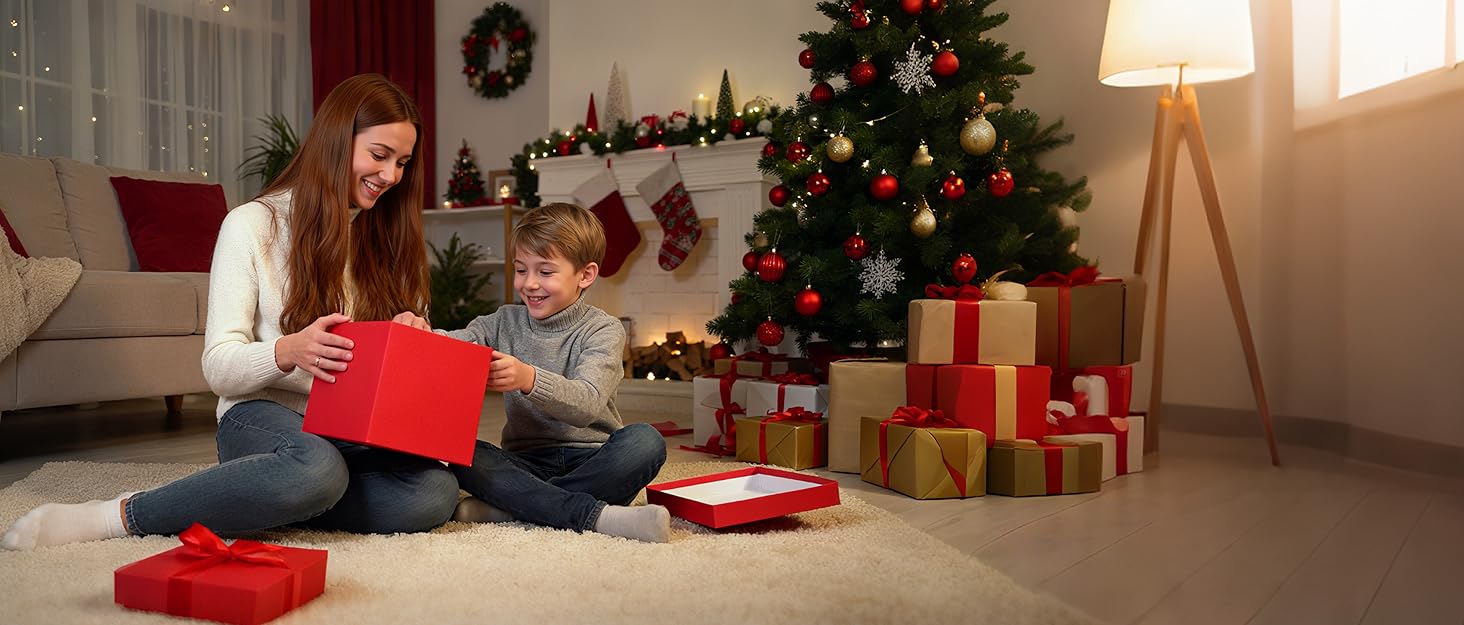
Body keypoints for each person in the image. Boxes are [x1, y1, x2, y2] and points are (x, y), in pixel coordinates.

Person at [1, 73, 459, 551]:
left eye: (402, 163)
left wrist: (415, 339)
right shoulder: (251, 224)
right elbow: (219, 367)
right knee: (316, 468)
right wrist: (286, 351)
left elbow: (395, 374)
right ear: (335, 143)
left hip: (347, 431)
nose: (390, 176)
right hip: (260, 417)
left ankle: (273, 496)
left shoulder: (389, 241)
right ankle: (123, 513)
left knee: (432, 493)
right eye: (379, 155)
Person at [411, 202, 671, 543]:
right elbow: (454, 345)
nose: (529, 283)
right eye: (521, 270)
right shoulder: (503, 321)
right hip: (526, 462)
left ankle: (518, 506)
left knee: (645, 442)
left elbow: (588, 402)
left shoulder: (602, 330)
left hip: (593, 458)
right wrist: (419, 334)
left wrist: (529, 379)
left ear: (585, 275)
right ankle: (589, 514)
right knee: (463, 452)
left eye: (545, 272)